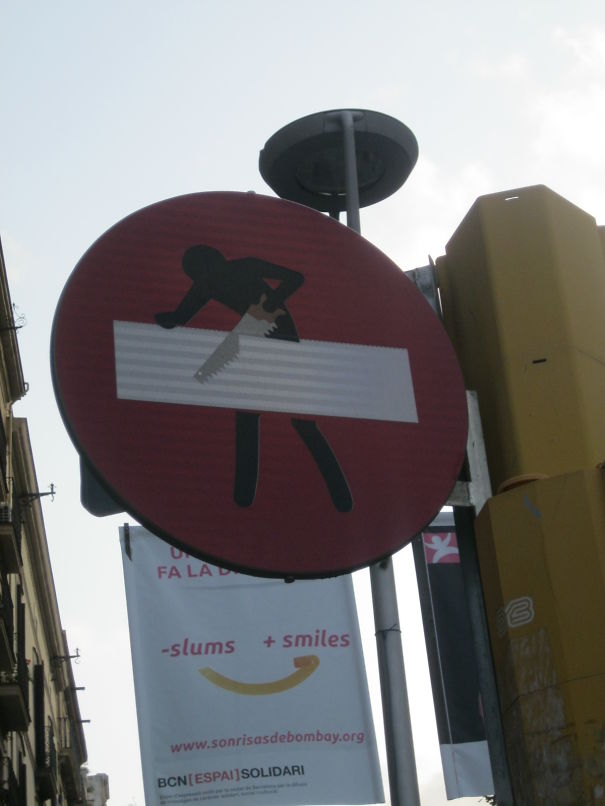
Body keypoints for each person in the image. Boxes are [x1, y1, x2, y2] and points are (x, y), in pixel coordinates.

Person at [155, 245, 353, 512]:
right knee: (247, 415)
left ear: (213, 264)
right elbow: (182, 314)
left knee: (302, 422)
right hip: (253, 343)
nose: (202, 282)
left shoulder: (247, 265)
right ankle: (243, 501)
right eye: (198, 278)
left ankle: (343, 499)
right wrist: (161, 319)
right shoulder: (208, 284)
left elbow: (296, 278)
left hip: (282, 339)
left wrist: (268, 306)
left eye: (201, 274)